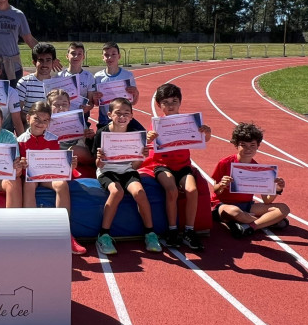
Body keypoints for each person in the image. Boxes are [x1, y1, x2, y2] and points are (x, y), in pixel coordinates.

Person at [144, 83, 210, 251]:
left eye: (174, 101)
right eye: (166, 102)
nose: (171, 105)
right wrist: (149, 138)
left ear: (180, 102)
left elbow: (204, 139)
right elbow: (147, 143)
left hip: (183, 165)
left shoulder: (189, 122)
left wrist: (206, 132)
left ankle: (189, 230)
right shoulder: (157, 123)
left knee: (192, 190)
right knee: (172, 190)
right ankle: (172, 230)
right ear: (159, 105)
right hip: (162, 165)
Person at [91, 98, 159, 254]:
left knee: (140, 192)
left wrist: (140, 156)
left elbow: (135, 167)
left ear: (132, 115)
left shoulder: (135, 134)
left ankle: (150, 232)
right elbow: (98, 164)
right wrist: (100, 158)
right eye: (118, 113)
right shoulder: (102, 133)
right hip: (107, 170)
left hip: (127, 169)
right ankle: (104, 234)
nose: (122, 117)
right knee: (117, 191)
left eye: (126, 113)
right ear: (109, 114)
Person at [17, 101, 86, 255]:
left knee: (61, 184)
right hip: (31, 176)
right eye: (37, 119)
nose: (40, 123)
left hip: (48, 175)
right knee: (29, 184)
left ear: (49, 122)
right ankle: (31, 232)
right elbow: (18, 167)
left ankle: (65, 233)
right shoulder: (20, 140)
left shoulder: (53, 139)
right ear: (28, 118)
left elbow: (58, 164)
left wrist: (70, 165)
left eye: (45, 120)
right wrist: (21, 165)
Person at [211, 122, 290, 238]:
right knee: (234, 212)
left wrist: (277, 189)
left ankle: (251, 226)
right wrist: (222, 185)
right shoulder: (225, 163)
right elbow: (216, 191)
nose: (248, 149)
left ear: (258, 146)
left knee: (284, 209)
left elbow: (267, 200)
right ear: (236, 145)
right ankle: (267, 222)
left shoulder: (260, 169)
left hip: (247, 206)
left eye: (252, 145)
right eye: (244, 145)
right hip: (224, 205)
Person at [93, 41, 139, 129]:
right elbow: (97, 103)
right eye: (106, 55)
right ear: (102, 57)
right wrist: (95, 98)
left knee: (142, 135)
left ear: (119, 56)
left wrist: (136, 93)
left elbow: (133, 102)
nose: (110, 57)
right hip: (105, 120)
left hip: (124, 120)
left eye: (113, 54)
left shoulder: (128, 75)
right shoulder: (98, 77)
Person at [47, 89, 95, 165]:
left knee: (74, 150)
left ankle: (94, 163)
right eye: (56, 105)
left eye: (64, 104)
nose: (61, 108)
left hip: (75, 151)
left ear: (69, 105)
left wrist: (89, 134)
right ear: (49, 106)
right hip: (56, 152)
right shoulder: (46, 121)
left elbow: (86, 141)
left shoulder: (77, 117)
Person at [16, 42, 56, 126]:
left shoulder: (58, 84)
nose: (44, 64)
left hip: (52, 129)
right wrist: (35, 123)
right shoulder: (24, 83)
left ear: (53, 62)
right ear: (34, 62)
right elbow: (17, 112)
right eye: (41, 60)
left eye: (48, 60)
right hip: (30, 129)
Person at [56, 42, 95, 123]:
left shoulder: (89, 76)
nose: (76, 56)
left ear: (83, 57)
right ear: (67, 56)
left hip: (82, 116)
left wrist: (88, 107)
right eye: (73, 53)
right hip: (63, 115)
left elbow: (90, 102)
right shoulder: (59, 76)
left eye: (79, 54)